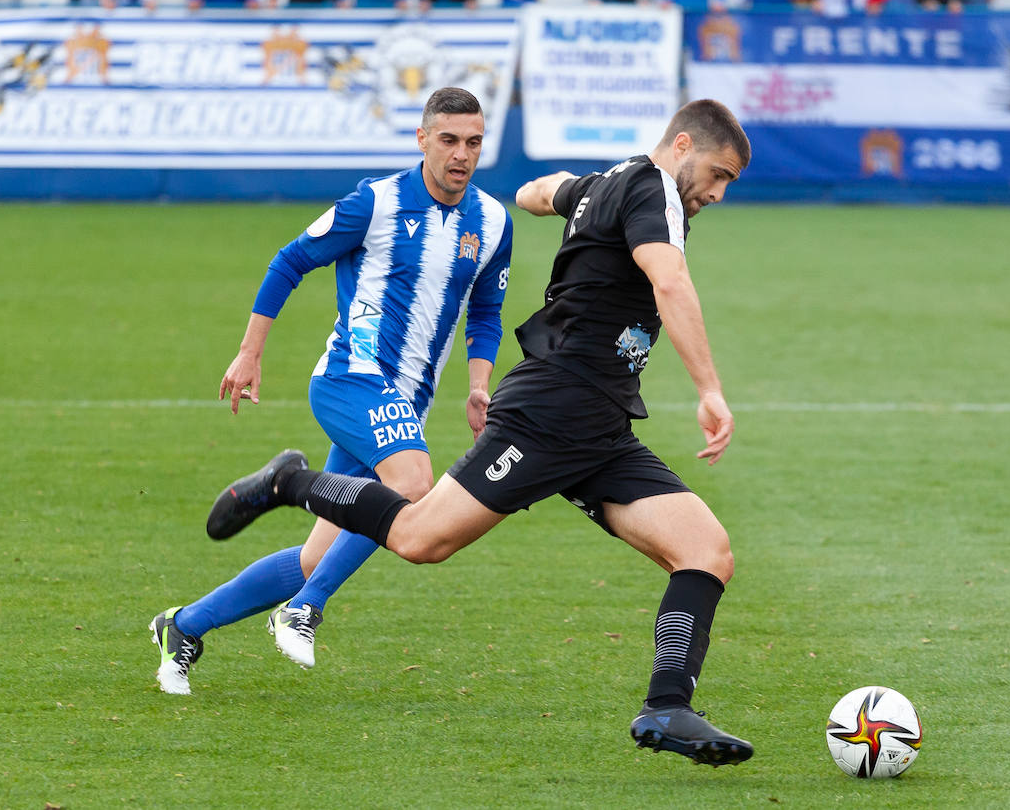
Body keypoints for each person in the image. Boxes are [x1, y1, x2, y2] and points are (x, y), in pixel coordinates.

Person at [205, 99, 755, 767]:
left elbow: (541, 190)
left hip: (603, 425)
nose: (719, 193)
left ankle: (666, 708)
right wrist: (709, 389)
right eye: (719, 174)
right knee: (417, 537)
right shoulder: (653, 189)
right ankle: (292, 482)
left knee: (706, 550)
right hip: (552, 411)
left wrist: (548, 199)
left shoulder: (612, 182)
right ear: (684, 144)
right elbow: (668, 280)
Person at [150, 87, 513, 689]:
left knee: (316, 555)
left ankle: (186, 624)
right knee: (413, 488)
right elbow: (290, 261)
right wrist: (249, 353)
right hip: (352, 378)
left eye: (473, 143)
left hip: (405, 403)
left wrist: (479, 386)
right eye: (448, 140)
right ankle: (306, 608)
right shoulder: (377, 202)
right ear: (421, 138)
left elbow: (487, 311)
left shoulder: (493, 221)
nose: (461, 155)